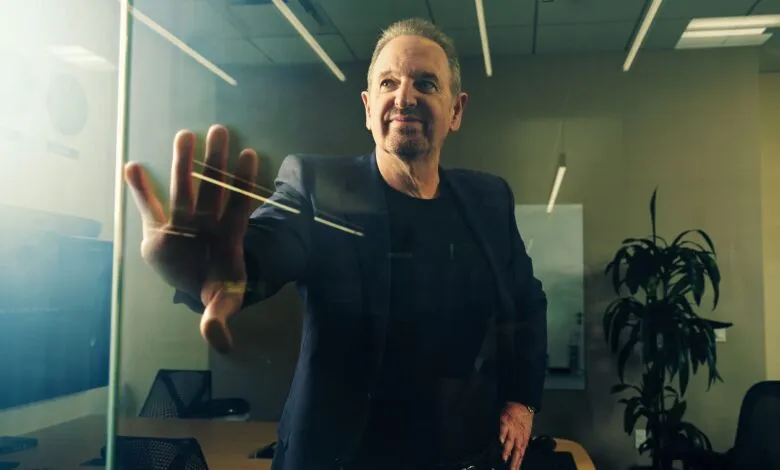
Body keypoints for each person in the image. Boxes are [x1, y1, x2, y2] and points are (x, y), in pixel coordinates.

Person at [125, 18, 547, 470]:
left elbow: (526, 303)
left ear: (456, 110)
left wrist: (521, 402)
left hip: (465, 458)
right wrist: (217, 272)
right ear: (368, 108)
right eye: (389, 82)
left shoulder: (488, 200)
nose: (404, 97)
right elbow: (268, 245)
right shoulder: (316, 188)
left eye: (425, 83)